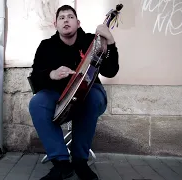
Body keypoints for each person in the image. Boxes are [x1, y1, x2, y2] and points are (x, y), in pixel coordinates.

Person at [28, 4, 119, 180]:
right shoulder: (46, 46)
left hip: (90, 92)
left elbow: (110, 71)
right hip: (58, 95)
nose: (65, 20)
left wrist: (112, 44)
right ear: (56, 24)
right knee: (37, 103)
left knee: (91, 98)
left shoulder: (92, 41)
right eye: (61, 18)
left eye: (70, 17)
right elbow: (36, 76)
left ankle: (79, 161)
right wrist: (52, 74)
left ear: (77, 23)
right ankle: (62, 163)